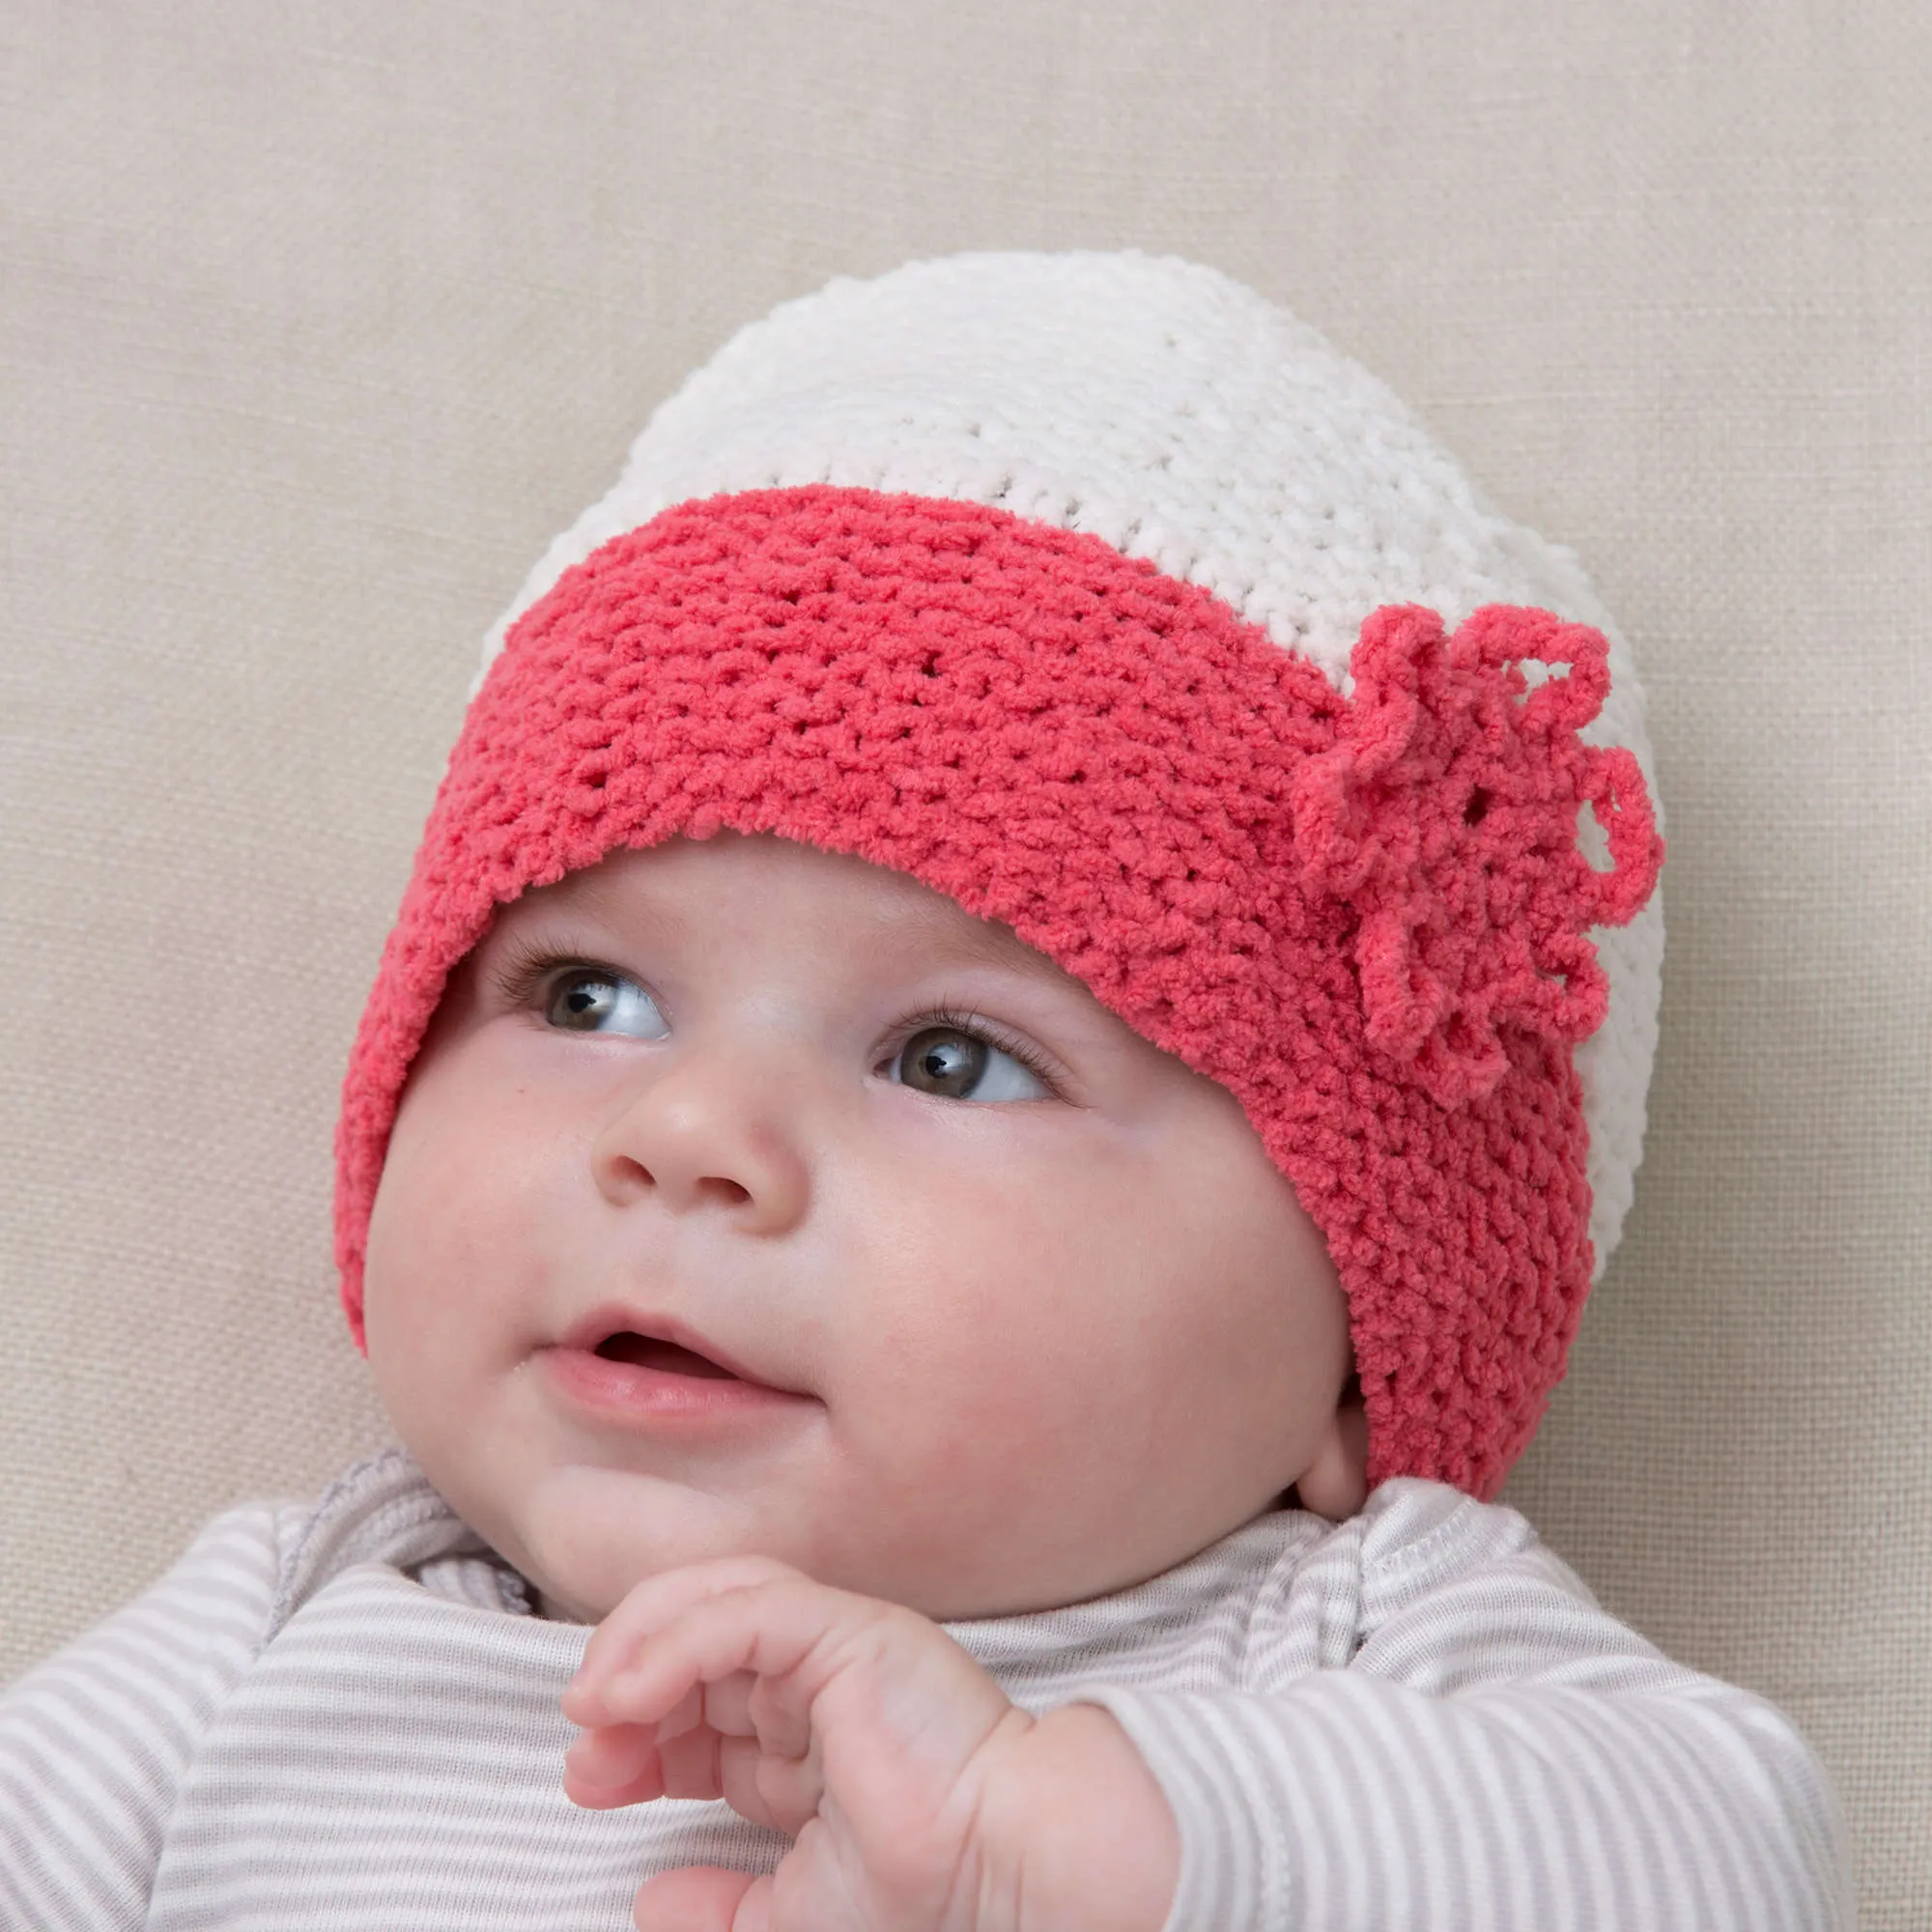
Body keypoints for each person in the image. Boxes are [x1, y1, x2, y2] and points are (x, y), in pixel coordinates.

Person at [0, 252, 1851, 1930]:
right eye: (587, 994)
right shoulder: (299, 1610)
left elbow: (1736, 1859)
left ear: (1367, 1352)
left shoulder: (1352, 1641)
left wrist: (1086, 1841)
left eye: (949, 1059)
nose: (688, 1141)